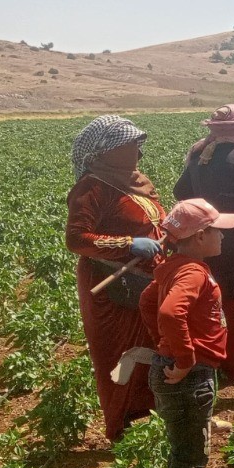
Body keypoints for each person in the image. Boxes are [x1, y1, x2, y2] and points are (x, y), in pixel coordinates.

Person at [138, 198, 234, 468]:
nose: (223, 237)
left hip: (183, 372)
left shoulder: (173, 266)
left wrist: (165, 344)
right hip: (188, 376)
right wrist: (183, 357)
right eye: (217, 230)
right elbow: (167, 310)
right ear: (198, 237)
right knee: (189, 457)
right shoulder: (193, 272)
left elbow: (149, 303)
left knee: (188, 450)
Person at [66, 115, 164, 442]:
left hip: (147, 277)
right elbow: (77, 239)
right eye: (132, 145)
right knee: (120, 351)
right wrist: (127, 244)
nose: (139, 151)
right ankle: (121, 423)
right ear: (110, 151)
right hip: (112, 284)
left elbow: (154, 217)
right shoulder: (91, 188)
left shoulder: (137, 181)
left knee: (152, 343)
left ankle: (148, 412)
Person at [172, 104, 234, 384]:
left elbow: (181, 192)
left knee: (215, 297)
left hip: (205, 238)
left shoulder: (200, 154)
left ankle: (214, 358)